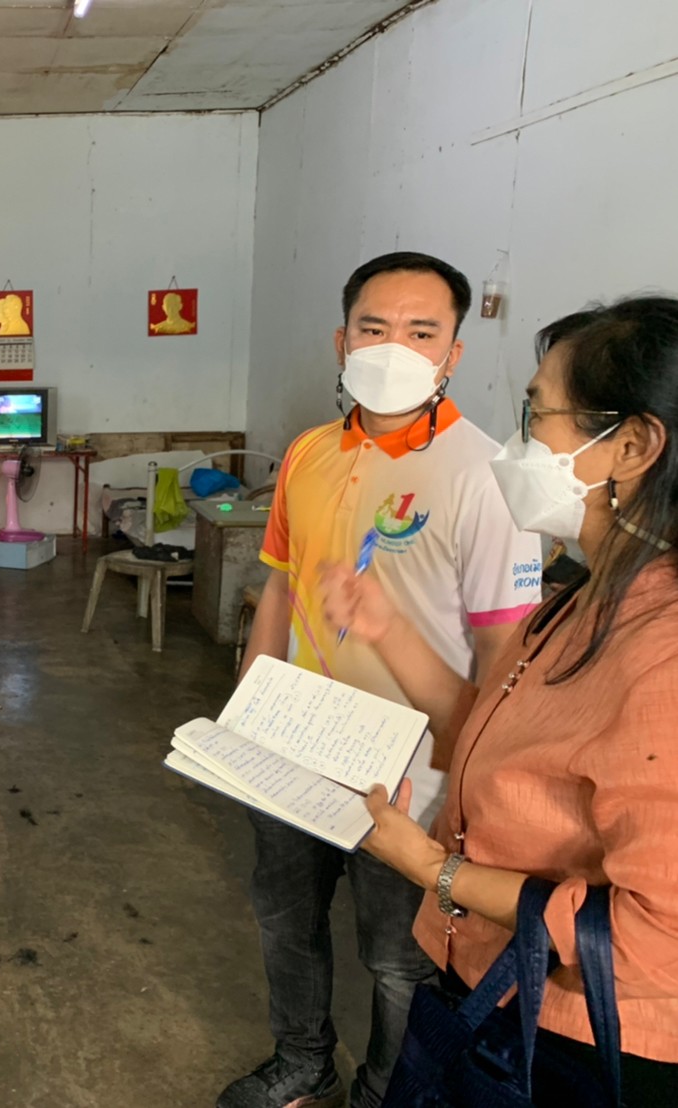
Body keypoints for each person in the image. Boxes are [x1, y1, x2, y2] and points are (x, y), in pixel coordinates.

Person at [324, 296, 678, 1104]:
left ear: (630, 446)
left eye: (536, 413)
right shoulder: (583, 599)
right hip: (494, 990)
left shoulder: (662, 653)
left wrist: (433, 869)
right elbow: (490, 725)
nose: (518, 444)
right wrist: (384, 627)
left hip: (578, 1040)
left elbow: (658, 938)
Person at [224, 252, 544, 1108]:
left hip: (411, 772)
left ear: (453, 354)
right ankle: (303, 1062)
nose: (393, 347)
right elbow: (281, 587)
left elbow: (503, 663)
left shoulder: (487, 478)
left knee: (400, 956)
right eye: (373, 327)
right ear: (342, 341)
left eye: (420, 331)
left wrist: (463, 787)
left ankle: (384, 1092)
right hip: (293, 741)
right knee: (286, 921)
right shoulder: (308, 453)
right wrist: (246, 714)